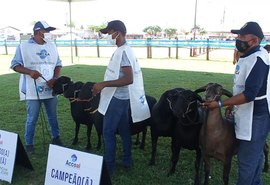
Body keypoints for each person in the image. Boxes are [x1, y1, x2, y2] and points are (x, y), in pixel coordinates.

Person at [202, 21, 270, 185]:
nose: (238, 38)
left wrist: (220, 104)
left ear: (254, 40)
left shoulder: (258, 59)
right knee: (254, 157)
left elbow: (250, 94)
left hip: (256, 116)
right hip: (247, 112)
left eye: (241, 36)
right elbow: (242, 87)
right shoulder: (247, 55)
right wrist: (233, 103)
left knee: (247, 161)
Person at [92, 20, 150, 175]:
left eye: (109, 33)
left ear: (117, 32)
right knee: (124, 129)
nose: (108, 36)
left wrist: (103, 84)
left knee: (108, 132)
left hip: (116, 99)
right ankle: (126, 159)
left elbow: (128, 79)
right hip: (123, 98)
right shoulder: (124, 49)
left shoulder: (123, 51)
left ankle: (109, 166)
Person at [10, 21, 63, 154]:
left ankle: (56, 138)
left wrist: (55, 79)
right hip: (32, 89)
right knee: (32, 118)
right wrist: (30, 72)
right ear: (39, 32)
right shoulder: (23, 46)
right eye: (47, 31)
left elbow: (58, 64)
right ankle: (29, 144)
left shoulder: (52, 46)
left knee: (53, 116)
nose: (49, 34)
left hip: (50, 88)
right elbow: (15, 65)